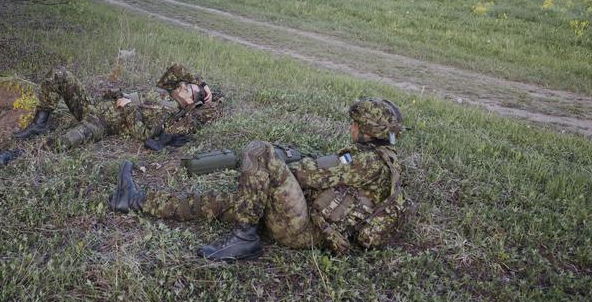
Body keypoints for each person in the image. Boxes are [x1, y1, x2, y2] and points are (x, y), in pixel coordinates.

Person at [108, 98, 405, 261]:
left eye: (355, 123)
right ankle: (135, 200)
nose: (351, 127)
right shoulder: (384, 161)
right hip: (309, 221)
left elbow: (305, 173)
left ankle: (244, 239)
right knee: (226, 203)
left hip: (301, 229)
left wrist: (276, 164)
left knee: (258, 151)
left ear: (365, 129)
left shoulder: (362, 162)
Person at [10, 63, 223, 151]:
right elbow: (177, 68)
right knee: (59, 75)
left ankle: (20, 154)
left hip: (102, 123)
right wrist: (203, 84)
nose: (184, 85)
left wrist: (129, 107)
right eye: (186, 83)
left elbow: (144, 134)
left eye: (189, 89)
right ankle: (41, 122)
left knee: (64, 142)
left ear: (189, 102)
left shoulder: (168, 113)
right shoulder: (166, 89)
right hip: (93, 106)